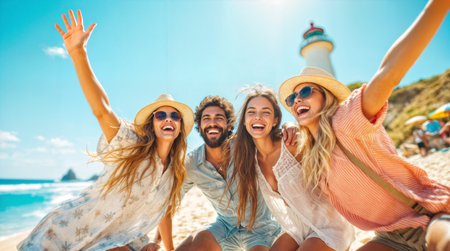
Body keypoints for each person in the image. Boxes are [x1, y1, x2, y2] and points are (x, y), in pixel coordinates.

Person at [277, 1, 450, 250]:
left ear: (326, 95)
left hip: (429, 217)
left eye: (306, 91)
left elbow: (388, 72)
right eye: (292, 98)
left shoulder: (348, 119)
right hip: (390, 237)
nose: (298, 100)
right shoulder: (310, 154)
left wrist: (437, 6)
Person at [18, 10, 194, 251]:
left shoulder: (174, 171)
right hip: (67, 233)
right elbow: (102, 110)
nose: (168, 119)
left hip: (117, 240)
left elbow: (163, 212)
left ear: (180, 127)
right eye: (161, 115)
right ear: (152, 124)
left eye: (174, 116)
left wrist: (169, 248)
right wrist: (79, 53)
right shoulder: (130, 145)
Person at [157, 96, 298, 251]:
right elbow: (167, 206)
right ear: (199, 125)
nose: (212, 123)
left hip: (262, 229)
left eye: (219, 118)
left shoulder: (246, 145)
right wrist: (164, 246)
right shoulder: (192, 165)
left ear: (230, 125)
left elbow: (268, 132)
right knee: (200, 238)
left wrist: (289, 125)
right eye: (206, 118)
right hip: (225, 227)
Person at [231, 85, 355, 251]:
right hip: (296, 228)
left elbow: (322, 143)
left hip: (329, 225)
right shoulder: (249, 160)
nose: (258, 117)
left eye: (266, 112)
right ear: (245, 121)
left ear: (275, 120)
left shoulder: (291, 144)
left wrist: (291, 124)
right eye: (251, 112)